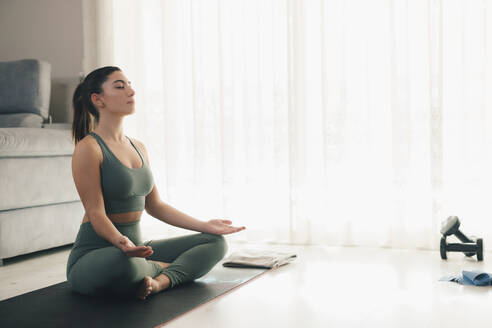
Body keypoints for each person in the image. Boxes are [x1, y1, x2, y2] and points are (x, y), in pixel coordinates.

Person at [66, 66, 245, 300]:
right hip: (98, 255)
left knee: (215, 243)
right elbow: (96, 213)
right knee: (123, 263)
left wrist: (205, 225)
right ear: (97, 99)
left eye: (130, 85)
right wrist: (122, 243)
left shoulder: (138, 147)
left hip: (138, 250)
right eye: (120, 86)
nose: (131, 91)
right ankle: (164, 266)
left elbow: (156, 206)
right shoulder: (88, 148)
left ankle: (160, 282)